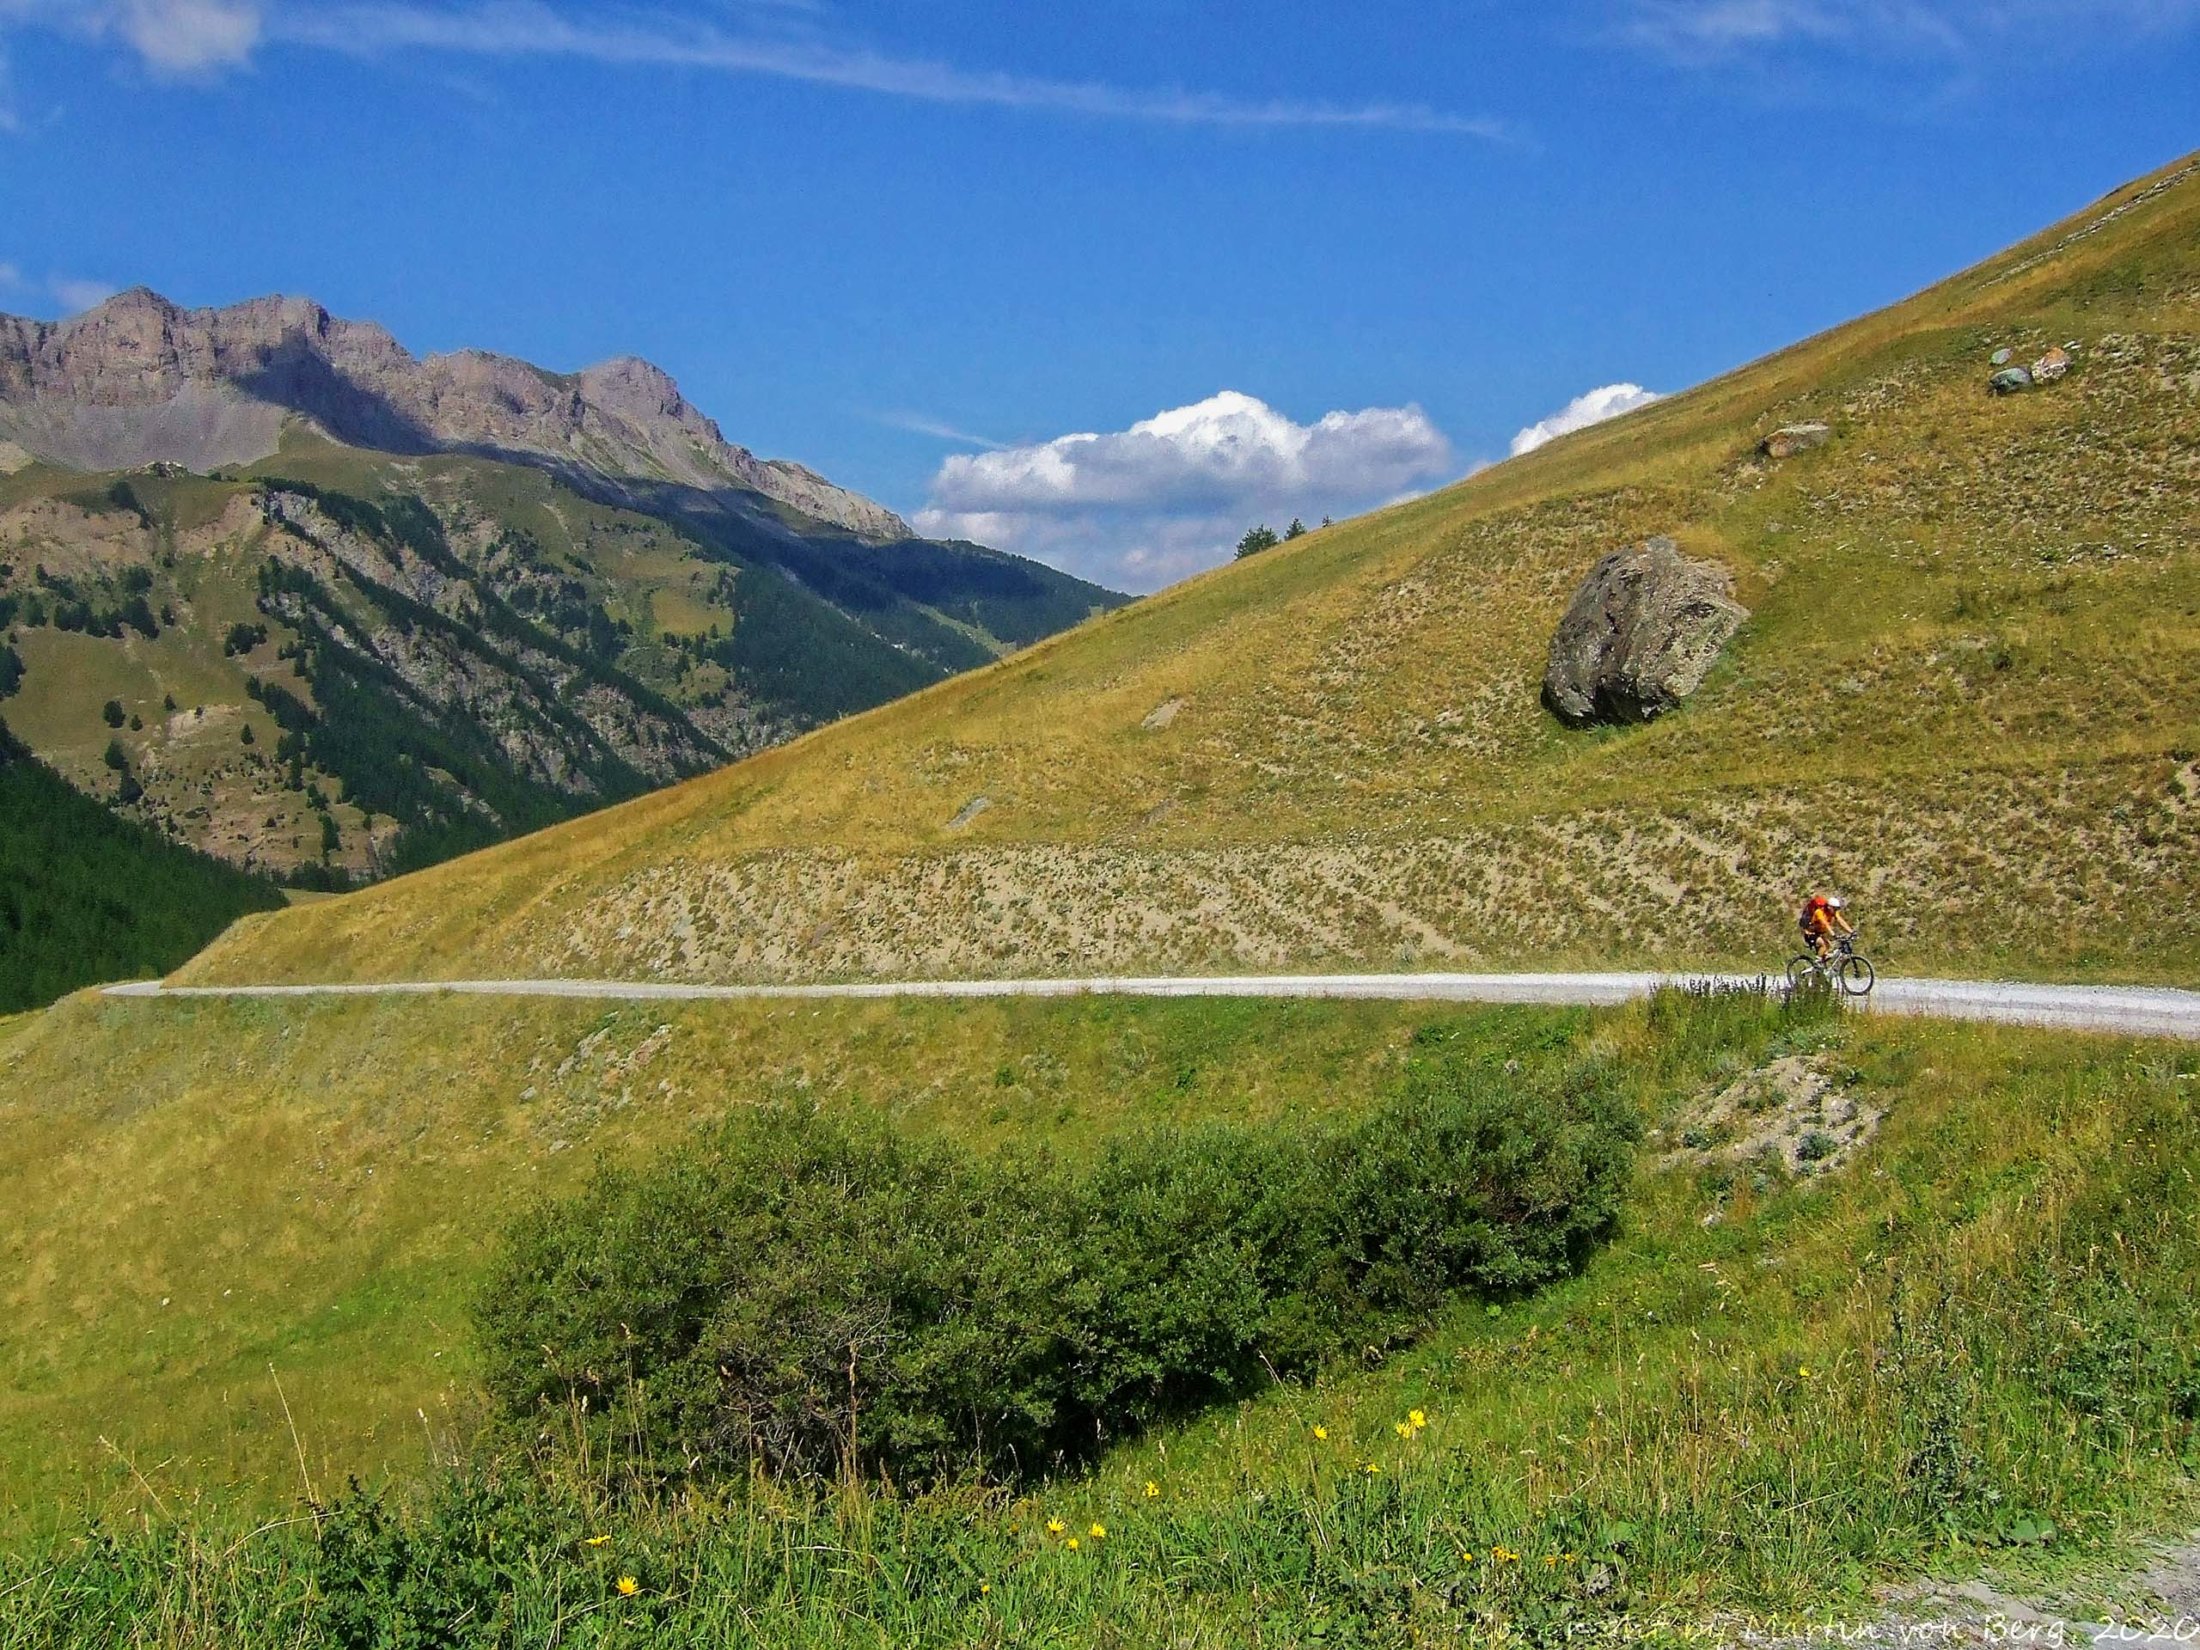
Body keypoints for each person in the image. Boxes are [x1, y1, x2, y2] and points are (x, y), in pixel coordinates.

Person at [1798, 892, 1854, 961]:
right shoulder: (1819, 912)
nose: (1836, 911)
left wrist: (1851, 932)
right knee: (1824, 945)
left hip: (1818, 933)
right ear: (1829, 907)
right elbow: (1825, 924)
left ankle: (1823, 966)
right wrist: (1833, 934)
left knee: (1828, 946)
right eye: (1835, 909)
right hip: (1810, 934)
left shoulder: (1832, 913)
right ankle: (1817, 964)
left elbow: (1841, 921)